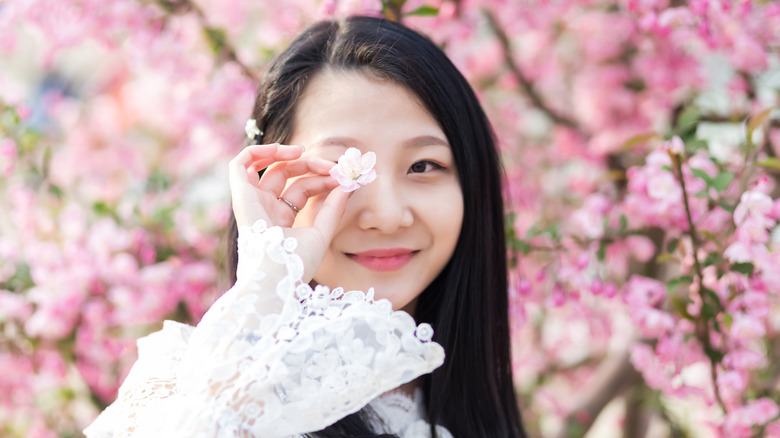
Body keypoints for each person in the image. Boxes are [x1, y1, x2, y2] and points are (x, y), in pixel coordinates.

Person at [85, 16, 526, 438]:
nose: (387, 215)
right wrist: (267, 278)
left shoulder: (468, 406)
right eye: (339, 168)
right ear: (270, 178)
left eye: (423, 165)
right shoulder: (191, 387)